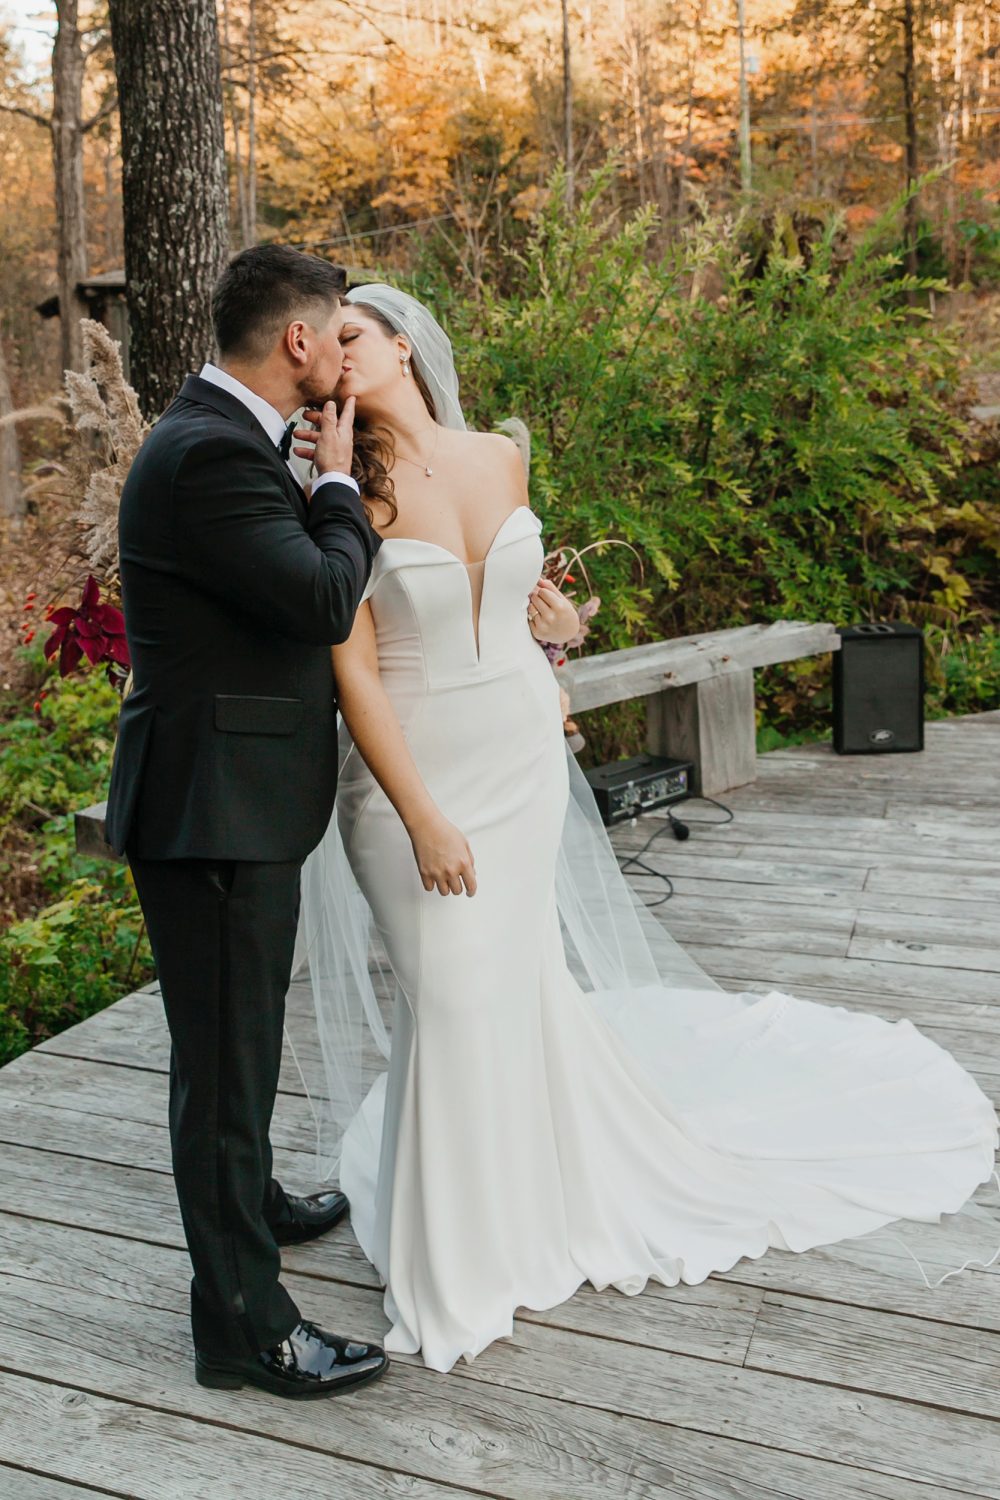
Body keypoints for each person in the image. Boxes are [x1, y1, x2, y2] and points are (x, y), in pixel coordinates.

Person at [292, 283, 1000, 1376]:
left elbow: (524, 610)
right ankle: (461, 1255)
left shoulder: (499, 456)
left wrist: (559, 629)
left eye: (351, 337)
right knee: (453, 994)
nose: (334, 358)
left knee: (518, 984)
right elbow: (349, 674)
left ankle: (535, 1196)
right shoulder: (334, 490)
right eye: (321, 347)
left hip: (521, 753)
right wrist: (421, 814)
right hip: (410, 775)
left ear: (399, 342)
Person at [104, 245, 389, 1399]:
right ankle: (244, 1326)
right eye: (336, 330)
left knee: (239, 1045)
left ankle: (254, 1202)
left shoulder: (220, 439)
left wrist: (314, 473)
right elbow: (325, 595)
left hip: (229, 798)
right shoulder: (210, 455)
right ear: (298, 344)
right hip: (211, 811)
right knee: (222, 1071)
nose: (342, 349)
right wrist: (338, 490)